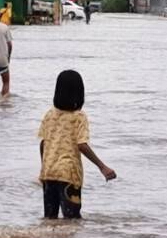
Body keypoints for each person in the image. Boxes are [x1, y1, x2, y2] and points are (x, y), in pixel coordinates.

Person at [38, 70, 117, 219]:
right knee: (72, 219)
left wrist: (44, 167)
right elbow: (82, 145)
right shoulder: (79, 117)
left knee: (49, 219)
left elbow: (43, 143)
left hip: (49, 172)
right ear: (79, 93)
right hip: (68, 174)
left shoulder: (49, 114)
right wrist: (102, 167)